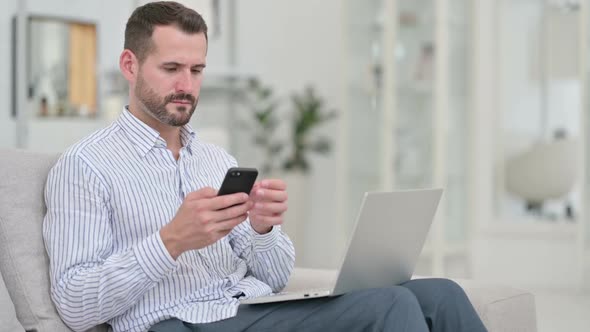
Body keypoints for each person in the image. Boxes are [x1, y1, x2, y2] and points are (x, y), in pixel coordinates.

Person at [42, 2, 487, 332]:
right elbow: (75, 305)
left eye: (197, 70)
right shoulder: (85, 166)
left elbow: (274, 277)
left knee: (441, 294)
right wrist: (171, 240)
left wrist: (260, 231)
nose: (186, 86)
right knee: (392, 308)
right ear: (129, 65)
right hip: (178, 321)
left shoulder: (216, 159)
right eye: (171, 68)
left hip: (248, 309)